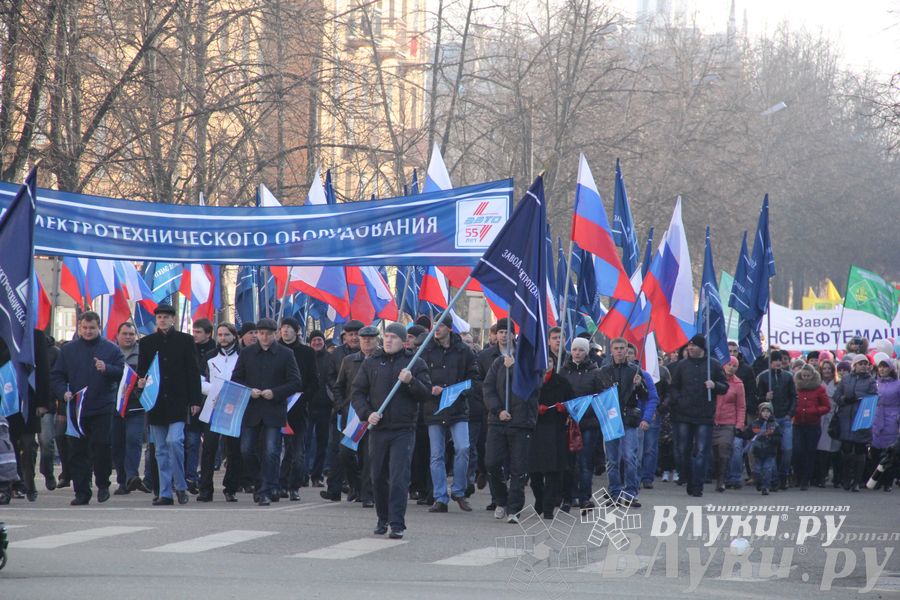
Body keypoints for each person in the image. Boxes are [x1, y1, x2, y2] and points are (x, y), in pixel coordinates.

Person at [351, 323, 432, 539]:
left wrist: (411, 381)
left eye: (393, 337)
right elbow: (357, 393)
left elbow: (425, 394)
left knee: (398, 477)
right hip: (379, 428)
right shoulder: (371, 363)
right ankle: (382, 518)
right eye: (386, 336)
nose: (388, 340)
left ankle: (397, 523)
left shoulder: (414, 363)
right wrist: (367, 414)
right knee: (377, 476)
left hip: (403, 429)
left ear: (403, 341)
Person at [50, 312, 124, 505]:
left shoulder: (111, 349)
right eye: (85, 328)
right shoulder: (68, 350)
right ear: (79, 328)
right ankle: (82, 491)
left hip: (102, 406)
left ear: (99, 327)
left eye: (92, 328)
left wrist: (107, 368)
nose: (88, 331)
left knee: (101, 446)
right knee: (77, 450)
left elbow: (122, 373)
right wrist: (62, 393)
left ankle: (103, 484)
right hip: (76, 409)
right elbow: (57, 376)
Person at [231, 318, 302, 506]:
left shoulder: (285, 354)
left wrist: (275, 393)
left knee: (271, 451)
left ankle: (265, 490)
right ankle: (261, 480)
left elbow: (295, 382)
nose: (264, 337)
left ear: (275, 334)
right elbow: (236, 379)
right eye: (261, 333)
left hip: (273, 409)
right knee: (246, 449)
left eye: (268, 333)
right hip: (252, 409)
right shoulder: (246, 354)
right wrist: (249, 390)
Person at [137, 304, 202, 506]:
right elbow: (142, 372)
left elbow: (193, 372)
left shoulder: (185, 340)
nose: (162, 320)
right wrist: (140, 383)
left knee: (175, 441)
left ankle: (181, 486)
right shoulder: (147, 342)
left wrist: (195, 400)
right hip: (156, 403)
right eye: (159, 317)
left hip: (178, 401)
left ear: (173, 319)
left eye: (166, 317)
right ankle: (165, 492)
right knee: (160, 450)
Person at [420, 315, 478, 513]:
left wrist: (452, 390)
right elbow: (419, 378)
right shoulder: (426, 350)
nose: (436, 329)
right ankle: (440, 497)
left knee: (463, 448)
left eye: (441, 325)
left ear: (449, 328)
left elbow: (474, 379)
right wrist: (430, 389)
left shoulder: (464, 351)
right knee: (436, 455)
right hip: (434, 408)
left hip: (457, 408)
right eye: (435, 325)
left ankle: (459, 491)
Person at [322, 325, 379, 506]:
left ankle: (367, 494)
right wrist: (340, 406)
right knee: (345, 453)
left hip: (374, 416)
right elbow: (338, 386)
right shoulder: (349, 360)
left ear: (377, 340)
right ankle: (356, 486)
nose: (366, 341)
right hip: (352, 415)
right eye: (363, 338)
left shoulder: (383, 359)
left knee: (369, 456)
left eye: (370, 338)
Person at [483, 345, 538, 524]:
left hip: (521, 423)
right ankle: (500, 499)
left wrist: (514, 368)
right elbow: (488, 388)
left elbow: (533, 387)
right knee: (492, 462)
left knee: (518, 468)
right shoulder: (498, 363)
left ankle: (514, 508)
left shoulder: (532, 364)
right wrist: (498, 410)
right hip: (498, 421)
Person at [669, 334, 728, 498]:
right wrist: (679, 400)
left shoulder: (713, 365)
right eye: (689, 345)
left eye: (693, 346)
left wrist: (714, 385)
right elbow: (674, 387)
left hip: (704, 416)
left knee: (701, 451)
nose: (690, 348)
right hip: (683, 415)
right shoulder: (682, 365)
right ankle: (687, 477)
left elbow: (724, 387)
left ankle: (697, 485)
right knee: (683, 450)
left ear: (701, 348)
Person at [599, 338, 654, 508]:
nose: (620, 351)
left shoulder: (635, 371)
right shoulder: (604, 371)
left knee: (630, 457)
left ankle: (630, 492)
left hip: (629, 419)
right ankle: (614, 492)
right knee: (612, 460)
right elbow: (598, 394)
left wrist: (639, 385)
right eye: (616, 348)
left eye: (622, 348)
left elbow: (646, 396)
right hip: (611, 419)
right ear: (611, 350)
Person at [197, 323, 244, 502]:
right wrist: (217, 390)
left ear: (234, 336)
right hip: (214, 406)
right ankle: (205, 489)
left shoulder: (242, 356)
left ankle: (230, 488)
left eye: (226, 335)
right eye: (220, 335)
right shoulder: (209, 356)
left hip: (234, 407)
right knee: (209, 447)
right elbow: (200, 381)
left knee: (233, 449)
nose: (223, 338)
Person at [3, 329, 51, 502]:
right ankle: (11, 484)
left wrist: (43, 402)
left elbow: (43, 369)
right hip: (6, 398)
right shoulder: (4, 331)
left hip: (29, 399)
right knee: (8, 445)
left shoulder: (35, 336)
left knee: (29, 444)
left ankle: (28, 484)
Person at [559, 337, 605, 509]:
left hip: (588, 423)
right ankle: (568, 497)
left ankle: (585, 496)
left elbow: (600, 398)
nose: (577, 353)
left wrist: (586, 411)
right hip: (568, 423)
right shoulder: (563, 371)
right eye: (575, 350)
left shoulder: (595, 372)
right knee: (569, 463)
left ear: (586, 352)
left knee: (585, 462)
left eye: (581, 350)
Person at [278, 317, 319, 496]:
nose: (285, 331)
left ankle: (294, 486)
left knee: (297, 451)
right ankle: (278, 484)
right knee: (275, 450)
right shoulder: (274, 350)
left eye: (289, 328)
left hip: (299, 408)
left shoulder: (307, 353)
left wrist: (303, 397)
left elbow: (313, 381)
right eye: (283, 328)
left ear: (296, 331)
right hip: (276, 406)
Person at [529, 358, 572, 519]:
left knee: (553, 473)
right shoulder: (531, 381)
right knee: (535, 473)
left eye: (550, 362)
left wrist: (564, 408)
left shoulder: (562, 382)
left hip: (556, 430)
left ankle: (548, 507)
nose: (547, 365)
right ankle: (539, 499)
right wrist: (534, 408)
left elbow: (572, 402)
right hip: (535, 429)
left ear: (554, 365)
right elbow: (521, 400)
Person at [475, 320, 510, 509]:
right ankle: (496, 498)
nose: (504, 335)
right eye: (501, 331)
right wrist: (492, 394)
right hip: (490, 412)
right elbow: (478, 381)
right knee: (491, 458)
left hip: (514, 413)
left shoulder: (521, 355)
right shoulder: (485, 356)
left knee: (510, 459)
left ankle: (507, 497)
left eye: (507, 332)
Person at [833, 354, 878, 492]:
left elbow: (874, 397)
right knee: (846, 450)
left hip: (862, 418)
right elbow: (836, 396)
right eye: (861, 363)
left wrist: (859, 398)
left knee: (860, 451)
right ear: (855, 365)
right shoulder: (846, 379)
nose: (863, 366)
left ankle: (857, 482)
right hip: (846, 417)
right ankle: (846, 479)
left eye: (865, 364)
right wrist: (844, 399)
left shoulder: (871, 381)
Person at [111, 322, 147, 495]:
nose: (128, 337)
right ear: (117, 335)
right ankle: (123, 480)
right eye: (124, 333)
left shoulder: (143, 355)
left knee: (133, 440)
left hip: (136, 407)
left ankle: (132, 476)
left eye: (131, 334)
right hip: (114, 408)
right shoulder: (111, 354)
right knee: (117, 445)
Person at [755, 350, 797, 489]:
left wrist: (789, 414)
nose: (778, 363)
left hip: (784, 418)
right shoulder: (764, 377)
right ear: (770, 362)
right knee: (771, 450)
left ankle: (783, 475)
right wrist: (765, 398)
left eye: (780, 360)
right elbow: (758, 398)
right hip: (770, 420)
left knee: (787, 449)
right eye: (775, 360)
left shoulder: (788, 377)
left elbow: (793, 397)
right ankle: (773, 479)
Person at [185, 318, 216, 494]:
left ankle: (204, 478)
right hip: (195, 402)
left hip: (213, 402)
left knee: (210, 446)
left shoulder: (215, 351)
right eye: (194, 331)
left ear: (208, 333)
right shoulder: (190, 349)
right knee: (192, 441)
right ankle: (190, 476)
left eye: (198, 332)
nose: (195, 335)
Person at [307, 329, 338, 493]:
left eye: (319, 340)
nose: (317, 343)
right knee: (305, 442)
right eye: (314, 341)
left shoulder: (330, 359)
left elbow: (334, 380)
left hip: (325, 407)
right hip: (307, 406)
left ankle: (317, 475)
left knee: (322, 443)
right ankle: (303, 473)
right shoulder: (306, 357)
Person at [792, 363, 831, 490]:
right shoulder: (796, 387)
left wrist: (814, 411)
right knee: (797, 451)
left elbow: (826, 406)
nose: (806, 378)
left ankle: (805, 480)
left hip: (813, 425)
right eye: (804, 375)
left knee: (809, 452)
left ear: (812, 376)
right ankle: (798, 476)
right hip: (798, 424)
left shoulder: (819, 389)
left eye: (808, 376)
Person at [713, 357, 745, 493]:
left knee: (724, 450)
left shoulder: (738, 384)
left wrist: (739, 424)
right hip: (712, 421)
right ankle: (717, 475)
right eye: (729, 364)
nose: (731, 367)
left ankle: (721, 480)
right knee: (714, 452)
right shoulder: (715, 380)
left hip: (728, 422)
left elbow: (741, 406)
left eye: (735, 366)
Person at [870, 354, 900, 492]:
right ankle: (876, 480)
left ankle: (888, 482)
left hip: (892, 418)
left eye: (885, 367)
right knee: (875, 450)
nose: (882, 369)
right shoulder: (874, 382)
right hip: (876, 417)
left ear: (891, 368)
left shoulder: (897, 384)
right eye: (880, 367)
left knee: (889, 452)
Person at [738, 402, 781, 495]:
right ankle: (759, 483)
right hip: (757, 452)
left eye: (768, 411)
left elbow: (779, 438)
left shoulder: (775, 425)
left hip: (769, 452)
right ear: (760, 413)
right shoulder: (755, 424)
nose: (766, 413)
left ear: (771, 413)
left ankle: (766, 487)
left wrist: (772, 439)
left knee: (767, 469)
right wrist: (739, 433)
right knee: (757, 470)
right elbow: (748, 434)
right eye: (763, 411)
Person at [815, 358, 842, 488]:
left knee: (835, 450)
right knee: (822, 450)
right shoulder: (817, 384)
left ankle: (837, 478)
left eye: (829, 369)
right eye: (824, 368)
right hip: (821, 419)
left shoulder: (838, 384)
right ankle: (822, 477)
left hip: (835, 419)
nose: (826, 371)